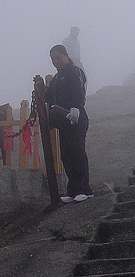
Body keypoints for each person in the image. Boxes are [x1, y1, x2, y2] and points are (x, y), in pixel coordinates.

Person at [44, 44, 93, 203]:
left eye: (58, 57)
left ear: (66, 55)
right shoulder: (57, 78)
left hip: (77, 118)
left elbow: (79, 89)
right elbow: (50, 98)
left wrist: (76, 107)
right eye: (53, 59)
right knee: (66, 155)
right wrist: (40, 87)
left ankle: (85, 189)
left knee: (77, 152)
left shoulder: (74, 71)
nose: (56, 61)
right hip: (64, 120)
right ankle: (72, 190)